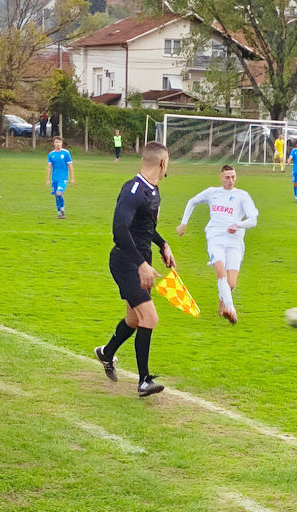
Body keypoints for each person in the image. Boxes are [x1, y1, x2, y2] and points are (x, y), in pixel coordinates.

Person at [94, 141, 176, 397]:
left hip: (141, 261)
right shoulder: (134, 190)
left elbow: (144, 228)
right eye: (168, 163)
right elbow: (119, 231)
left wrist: (162, 244)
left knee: (133, 320)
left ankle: (106, 353)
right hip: (126, 262)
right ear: (162, 163)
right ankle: (143, 382)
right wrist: (141, 264)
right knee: (150, 318)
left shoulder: (153, 190)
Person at [176, 164, 259, 323]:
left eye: (233, 177)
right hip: (215, 238)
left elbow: (253, 220)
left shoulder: (242, 196)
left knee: (231, 283)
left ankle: (222, 304)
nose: (231, 180)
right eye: (227, 177)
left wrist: (239, 225)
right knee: (221, 272)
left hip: (235, 242)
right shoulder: (212, 192)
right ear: (221, 178)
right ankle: (231, 310)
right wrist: (183, 223)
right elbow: (192, 201)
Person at [45, 136, 75, 219]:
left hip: (63, 178)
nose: (57, 144)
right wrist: (48, 179)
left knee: (59, 193)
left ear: (62, 143)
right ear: (54, 144)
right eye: (56, 142)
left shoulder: (66, 153)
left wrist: (72, 178)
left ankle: (62, 211)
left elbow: (70, 166)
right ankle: (59, 212)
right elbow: (49, 167)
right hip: (55, 178)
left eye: (59, 142)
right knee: (56, 195)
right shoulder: (51, 154)